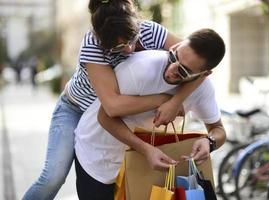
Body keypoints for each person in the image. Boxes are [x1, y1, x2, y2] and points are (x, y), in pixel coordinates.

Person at [23, 1, 211, 199]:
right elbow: (113, 106)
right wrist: (164, 98)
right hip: (75, 109)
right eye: (118, 47)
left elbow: (197, 67)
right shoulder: (92, 44)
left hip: (106, 117)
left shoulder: (150, 31)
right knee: (54, 176)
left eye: (131, 40)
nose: (129, 49)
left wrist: (175, 102)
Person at [74, 28, 226, 199]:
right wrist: (145, 149)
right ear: (176, 45)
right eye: (173, 56)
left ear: (204, 74)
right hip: (98, 157)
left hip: (144, 168)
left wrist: (209, 142)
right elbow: (104, 117)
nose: (171, 69)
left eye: (183, 71)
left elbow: (218, 129)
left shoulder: (203, 90)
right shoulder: (140, 68)